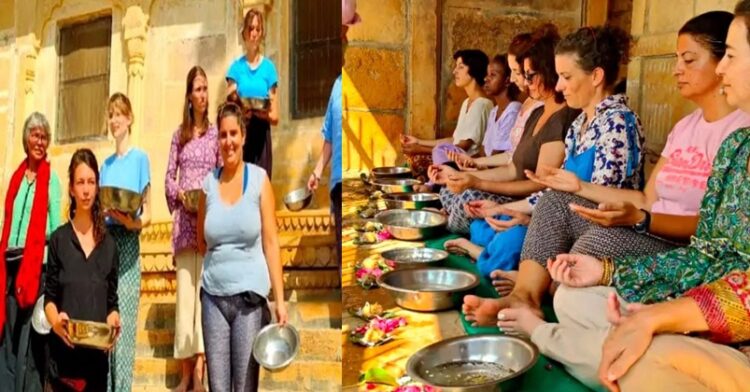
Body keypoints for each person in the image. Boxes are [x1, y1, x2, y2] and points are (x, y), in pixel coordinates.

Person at [461, 11, 750, 330]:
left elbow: (715, 232)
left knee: (593, 244)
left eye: (689, 60)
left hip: (676, 244)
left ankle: (551, 296)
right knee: (554, 202)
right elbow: (645, 197)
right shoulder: (685, 127)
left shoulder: (737, 134)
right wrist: (577, 187)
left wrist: (641, 220)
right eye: (678, 59)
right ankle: (524, 295)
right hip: (646, 225)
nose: (676, 69)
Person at [446, 26, 645, 285]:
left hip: (596, 233)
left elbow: (601, 209)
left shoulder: (617, 123)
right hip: (566, 219)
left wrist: (533, 218)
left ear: (595, 76)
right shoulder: (580, 123)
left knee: (520, 236)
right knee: (506, 221)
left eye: (566, 76)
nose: (560, 85)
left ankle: (531, 285)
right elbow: (555, 192)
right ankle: (529, 283)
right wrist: (504, 207)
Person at [433, 24, 580, 234]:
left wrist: (478, 183)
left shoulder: (562, 119)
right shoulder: (538, 113)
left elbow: (538, 185)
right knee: (451, 192)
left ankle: (450, 224)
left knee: (467, 200)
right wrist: (466, 176)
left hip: (525, 200)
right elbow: (512, 168)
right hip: (514, 195)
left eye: (528, 75)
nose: (523, 82)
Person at [197, 102, 288, 392]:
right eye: (223, 135)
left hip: (250, 301)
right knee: (219, 388)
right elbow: (202, 241)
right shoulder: (207, 186)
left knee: (245, 387)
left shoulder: (259, 181)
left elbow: (271, 244)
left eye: (233, 133)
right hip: (213, 298)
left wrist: (280, 301)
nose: (228, 141)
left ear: (244, 136)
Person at [44, 148, 120, 391]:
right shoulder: (58, 240)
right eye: (80, 182)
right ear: (71, 188)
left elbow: (112, 303)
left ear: (97, 186)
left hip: (96, 367)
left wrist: (113, 322)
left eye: (91, 182)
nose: (86, 189)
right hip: (63, 367)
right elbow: (50, 298)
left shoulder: (110, 246)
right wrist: (56, 322)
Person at [165, 66, 221, 392]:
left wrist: (205, 200)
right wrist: (181, 197)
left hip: (208, 224)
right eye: (196, 90)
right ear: (188, 96)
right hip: (185, 226)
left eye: (204, 89)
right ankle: (185, 373)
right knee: (185, 299)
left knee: (204, 298)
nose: (201, 95)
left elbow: (219, 174)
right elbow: (168, 177)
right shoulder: (178, 135)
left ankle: (200, 373)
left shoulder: (215, 135)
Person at [0, 112, 61, 392]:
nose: (39, 141)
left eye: (44, 136)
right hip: (11, 269)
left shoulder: (51, 180)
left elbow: (56, 226)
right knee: (8, 339)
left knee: (28, 344)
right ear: (26, 138)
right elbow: (9, 220)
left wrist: (37, 243)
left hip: (36, 269)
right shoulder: (16, 178)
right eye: (35, 135)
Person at [100, 93, 152, 392]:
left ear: (129, 118)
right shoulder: (105, 166)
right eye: (111, 114)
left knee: (125, 326)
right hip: (108, 245)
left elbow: (148, 213)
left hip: (130, 244)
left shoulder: (140, 159)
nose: (114, 120)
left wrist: (131, 222)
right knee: (106, 324)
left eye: (119, 114)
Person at [308, 0, 359, 270]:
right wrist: (317, 172)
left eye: (343, 35)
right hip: (339, 182)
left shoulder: (359, 81)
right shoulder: (336, 84)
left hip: (359, 179)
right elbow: (329, 136)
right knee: (344, 261)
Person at [448, 33, 542, 170]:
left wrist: (474, 170)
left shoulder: (513, 109)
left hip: (498, 173)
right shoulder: (494, 111)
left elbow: (503, 156)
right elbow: (485, 151)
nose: (486, 79)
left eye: (493, 75)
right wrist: (469, 163)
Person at [401, 49, 493, 179]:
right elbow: (453, 140)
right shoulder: (467, 102)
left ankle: (432, 185)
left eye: (461, 67)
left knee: (418, 159)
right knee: (414, 156)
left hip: (466, 162)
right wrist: (418, 142)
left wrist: (420, 149)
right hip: (453, 156)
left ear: (474, 70)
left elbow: (462, 148)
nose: (455, 71)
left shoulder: (482, 104)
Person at [226, 8, 280, 176]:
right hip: (242, 136)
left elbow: (275, 116)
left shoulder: (269, 69)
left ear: (262, 33)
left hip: (262, 136)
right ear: (244, 33)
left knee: (262, 192)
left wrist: (260, 113)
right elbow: (229, 108)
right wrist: (242, 107)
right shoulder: (235, 69)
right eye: (250, 29)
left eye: (258, 29)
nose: (254, 33)